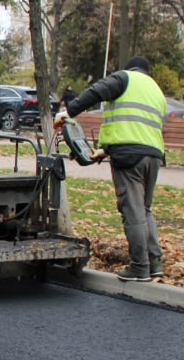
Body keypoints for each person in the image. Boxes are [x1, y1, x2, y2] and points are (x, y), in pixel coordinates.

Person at [54, 56, 167, 282]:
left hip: (129, 158)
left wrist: (70, 111)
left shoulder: (125, 78)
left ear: (130, 69)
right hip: (153, 156)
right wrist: (104, 151)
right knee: (145, 209)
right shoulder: (156, 91)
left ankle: (139, 267)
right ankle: (155, 263)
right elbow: (136, 127)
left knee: (133, 212)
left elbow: (97, 91)